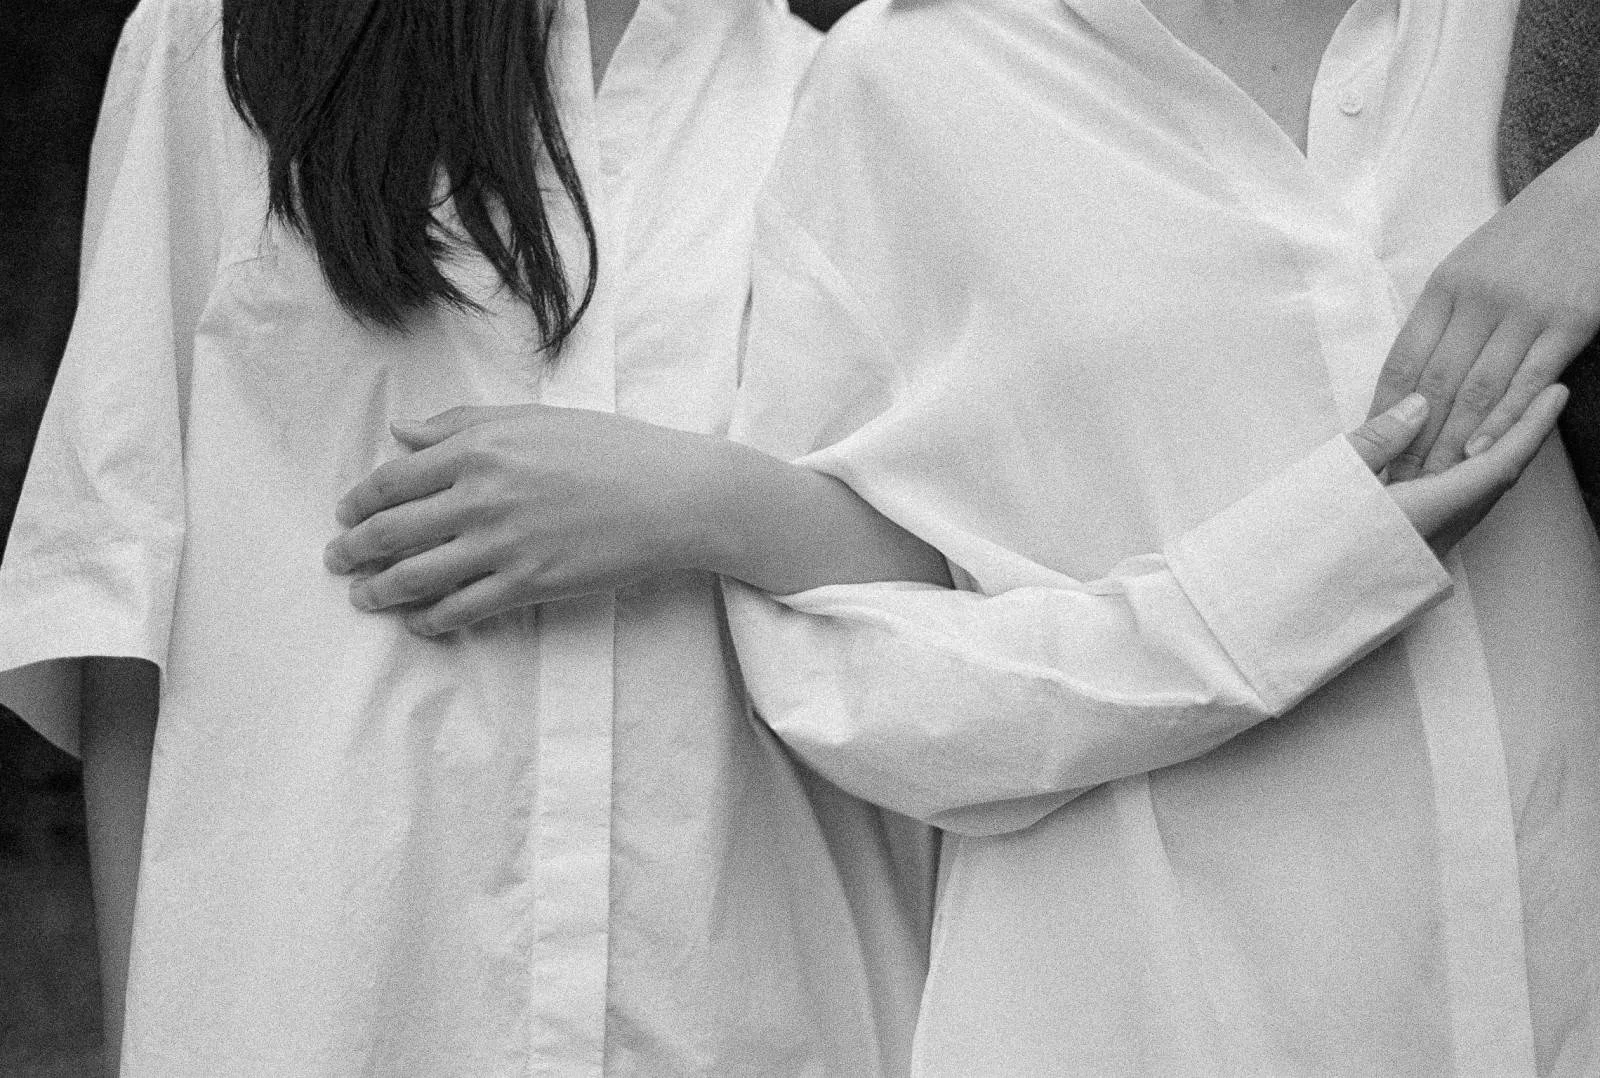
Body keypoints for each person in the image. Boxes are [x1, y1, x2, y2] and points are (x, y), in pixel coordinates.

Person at [0, 0, 948, 1073]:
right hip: (328, 1006)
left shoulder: (858, 100)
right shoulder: (221, 48)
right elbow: (123, 603)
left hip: (753, 1013)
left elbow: (1003, 597)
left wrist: (702, 504)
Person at [715, 0, 1600, 1073]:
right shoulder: (908, 79)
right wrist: (1290, 584)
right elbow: (832, 672)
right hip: (1160, 1024)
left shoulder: (1538, 30)